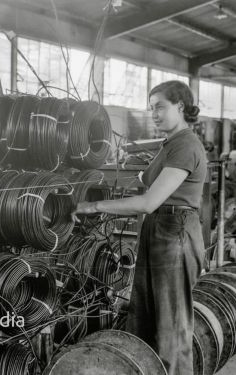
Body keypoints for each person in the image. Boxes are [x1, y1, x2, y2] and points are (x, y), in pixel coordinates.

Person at [72, 80, 207, 375]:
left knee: (171, 329)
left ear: (180, 107)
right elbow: (143, 179)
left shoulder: (185, 146)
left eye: (160, 106)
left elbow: (148, 201)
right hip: (159, 230)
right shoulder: (169, 145)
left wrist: (94, 207)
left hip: (176, 234)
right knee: (144, 319)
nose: (154, 114)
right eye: (151, 108)